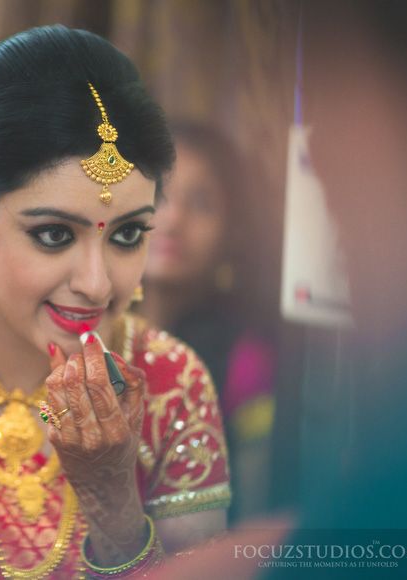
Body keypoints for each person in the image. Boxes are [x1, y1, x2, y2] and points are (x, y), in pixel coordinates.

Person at [0, 26, 231, 579]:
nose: (96, 285)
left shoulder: (172, 385)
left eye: (127, 234)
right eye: (53, 234)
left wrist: (114, 506)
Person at [135, 122, 275, 522]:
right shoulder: (87, 329)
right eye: (159, 195)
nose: (173, 219)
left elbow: (253, 516)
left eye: (201, 203)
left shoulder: (246, 361)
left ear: (233, 232)